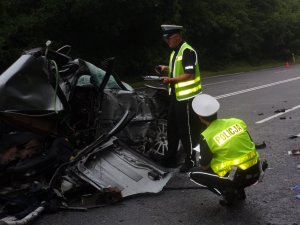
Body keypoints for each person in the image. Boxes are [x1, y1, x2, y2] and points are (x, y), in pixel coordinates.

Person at [188, 94, 267, 206]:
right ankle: (239, 191)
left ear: (200, 117)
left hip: (237, 177)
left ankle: (229, 193)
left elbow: (205, 166)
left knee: (193, 173)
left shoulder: (206, 136)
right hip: (256, 171)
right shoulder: (236, 121)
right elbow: (250, 143)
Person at [155, 24, 203, 172]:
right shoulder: (175, 52)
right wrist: (166, 69)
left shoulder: (187, 51)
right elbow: (179, 70)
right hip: (176, 96)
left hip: (187, 98)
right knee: (172, 128)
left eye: (168, 38)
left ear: (177, 36)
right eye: (165, 39)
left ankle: (191, 160)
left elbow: (189, 74)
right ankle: (170, 159)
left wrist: (170, 80)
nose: (167, 41)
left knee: (187, 131)